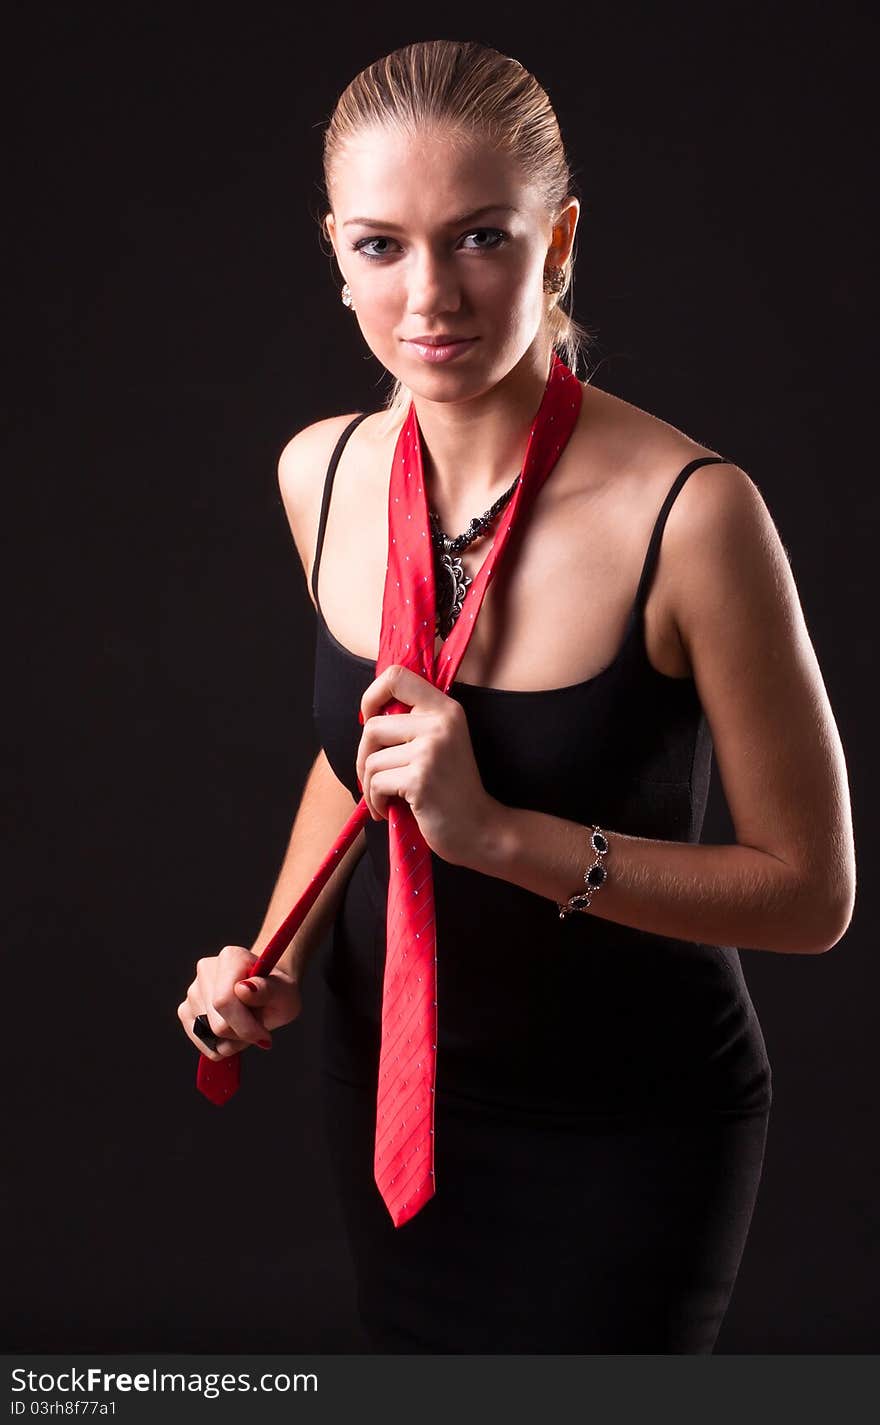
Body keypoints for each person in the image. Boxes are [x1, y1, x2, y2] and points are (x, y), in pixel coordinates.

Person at [178, 40, 856, 1352]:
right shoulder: (319, 473)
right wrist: (271, 955)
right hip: (398, 1096)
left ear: (559, 240)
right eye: (382, 245)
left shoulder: (694, 515)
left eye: (481, 236)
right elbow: (357, 758)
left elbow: (812, 892)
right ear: (335, 252)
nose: (430, 295)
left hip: (632, 1131)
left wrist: (498, 837)